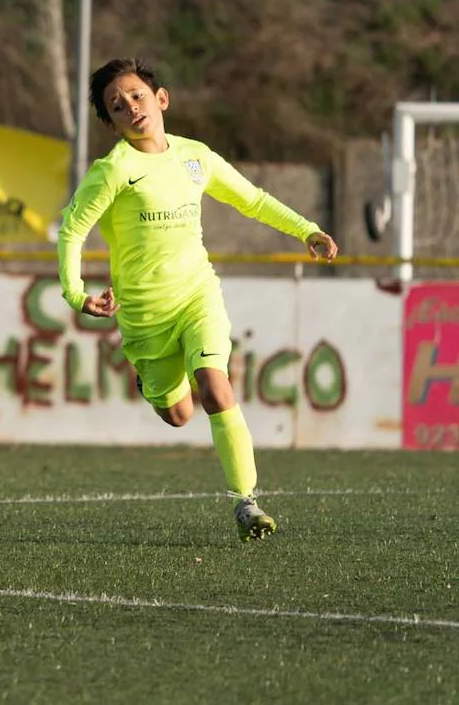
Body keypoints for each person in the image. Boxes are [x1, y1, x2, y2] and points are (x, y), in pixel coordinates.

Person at [57, 57, 339, 541]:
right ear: (111, 123)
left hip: (196, 295)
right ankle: (155, 383)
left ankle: (246, 502)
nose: (131, 107)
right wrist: (76, 294)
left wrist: (307, 230)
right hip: (144, 316)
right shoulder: (112, 171)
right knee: (178, 414)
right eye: (117, 105)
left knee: (215, 387)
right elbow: (71, 232)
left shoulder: (195, 158)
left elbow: (251, 198)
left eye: (137, 96)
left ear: (160, 99)